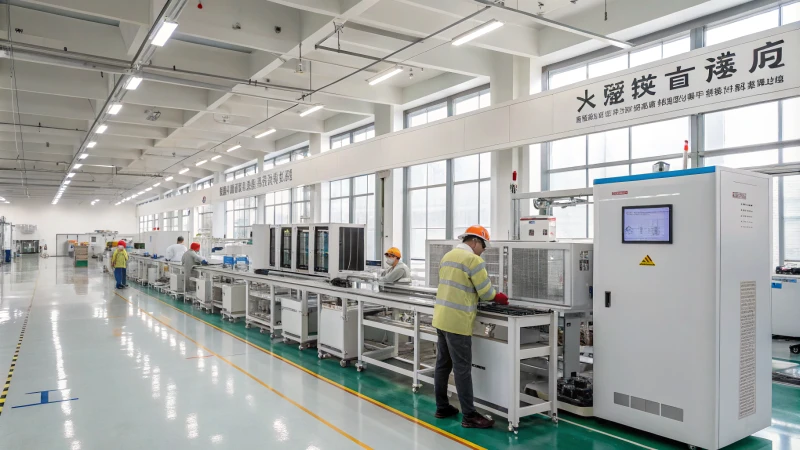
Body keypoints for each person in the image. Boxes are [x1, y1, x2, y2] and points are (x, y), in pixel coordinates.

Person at [432, 225, 508, 429]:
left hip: (441, 318)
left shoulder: (448, 256)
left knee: (442, 365)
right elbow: (486, 292)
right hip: (457, 321)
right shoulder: (473, 260)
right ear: (474, 241)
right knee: (462, 369)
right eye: (483, 246)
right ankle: (469, 416)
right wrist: (499, 297)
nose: (483, 250)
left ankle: (442, 407)